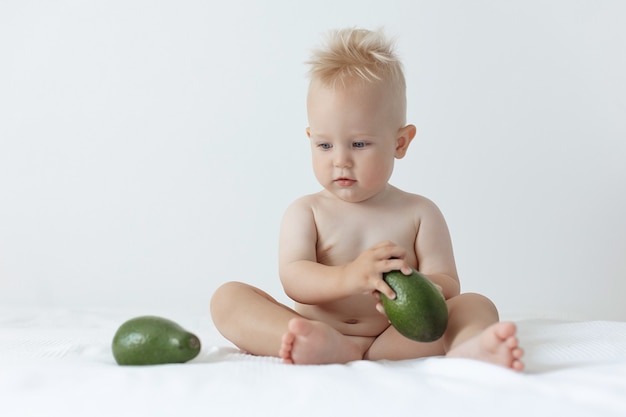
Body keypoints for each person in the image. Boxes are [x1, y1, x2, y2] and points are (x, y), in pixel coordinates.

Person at [210, 27, 524, 371]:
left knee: (476, 304)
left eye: (359, 144)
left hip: (396, 337)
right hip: (321, 330)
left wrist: (414, 282)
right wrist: (352, 276)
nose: (340, 159)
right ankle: (314, 344)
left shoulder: (419, 213)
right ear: (310, 138)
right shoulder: (307, 212)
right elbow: (294, 280)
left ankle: (471, 345)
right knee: (227, 298)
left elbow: (448, 283)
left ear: (400, 143)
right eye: (325, 145)